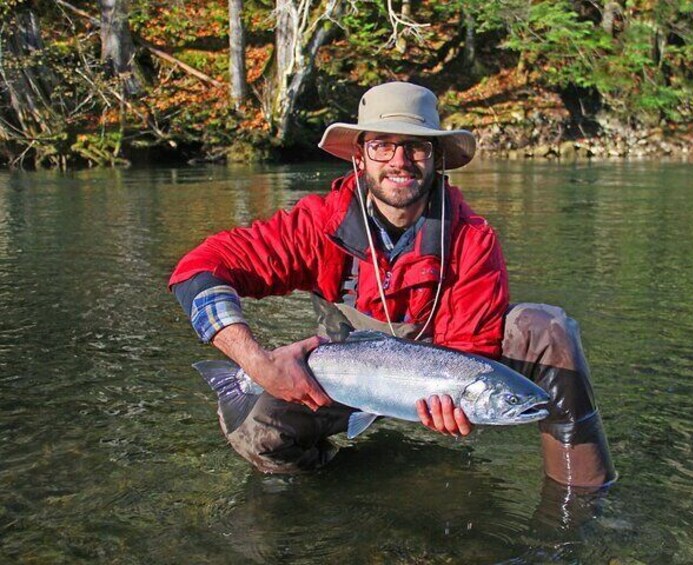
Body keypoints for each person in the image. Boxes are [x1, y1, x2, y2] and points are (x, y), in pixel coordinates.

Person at [169, 82, 616, 486]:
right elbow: (197, 269)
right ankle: (352, 488)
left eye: (416, 148)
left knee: (547, 327)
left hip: (433, 380)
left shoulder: (472, 239)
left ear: (437, 159)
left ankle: (580, 501)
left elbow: (470, 357)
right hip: (344, 377)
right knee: (255, 431)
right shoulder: (317, 225)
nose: (399, 162)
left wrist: (458, 412)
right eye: (382, 146)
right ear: (360, 157)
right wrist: (260, 363)